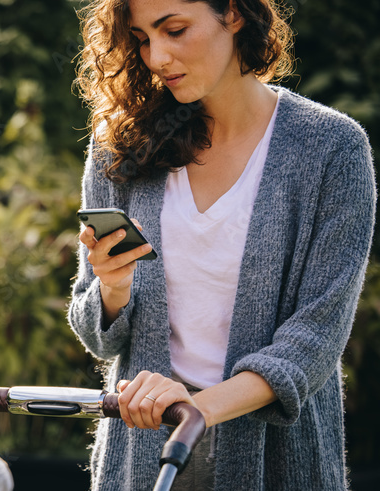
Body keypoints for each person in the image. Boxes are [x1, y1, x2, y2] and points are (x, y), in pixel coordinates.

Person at [66, 0, 376, 490]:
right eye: (143, 38)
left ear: (233, 14)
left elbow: (315, 339)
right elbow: (99, 337)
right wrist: (113, 287)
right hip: (142, 453)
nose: (156, 57)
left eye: (174, 30)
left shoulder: (332, 149)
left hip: (275, 458)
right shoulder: (122, 144)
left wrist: (196, 410)